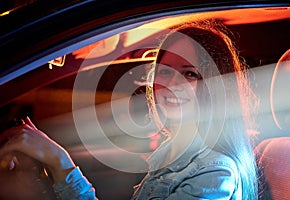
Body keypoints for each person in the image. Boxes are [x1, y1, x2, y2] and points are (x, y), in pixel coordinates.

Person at [0, 19, 258, 199]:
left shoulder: (214, 172)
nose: (170, 84)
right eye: (165, 71)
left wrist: (60, 162)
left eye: (190, 73)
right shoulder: (171, 154)